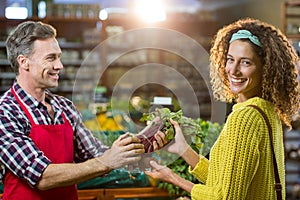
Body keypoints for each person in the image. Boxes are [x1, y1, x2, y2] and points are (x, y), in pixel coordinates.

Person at [0, 21, 166, 200]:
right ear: (24, 62)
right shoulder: (6, 112)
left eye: (59, 57)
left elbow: (95, 153)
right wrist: (106, 161)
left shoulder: (64, 108)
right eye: (51, 58)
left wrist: (144, 141)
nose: (59, 66)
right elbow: (42, 176)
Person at [145, 18, 300, 199]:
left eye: (245, 62)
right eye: (230, 59)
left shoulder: (245, 118)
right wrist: (183, 150)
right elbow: (227, 181)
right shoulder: (267, 111)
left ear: (266, 69)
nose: (233, 70)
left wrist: (173, 178)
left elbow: (225, 197)